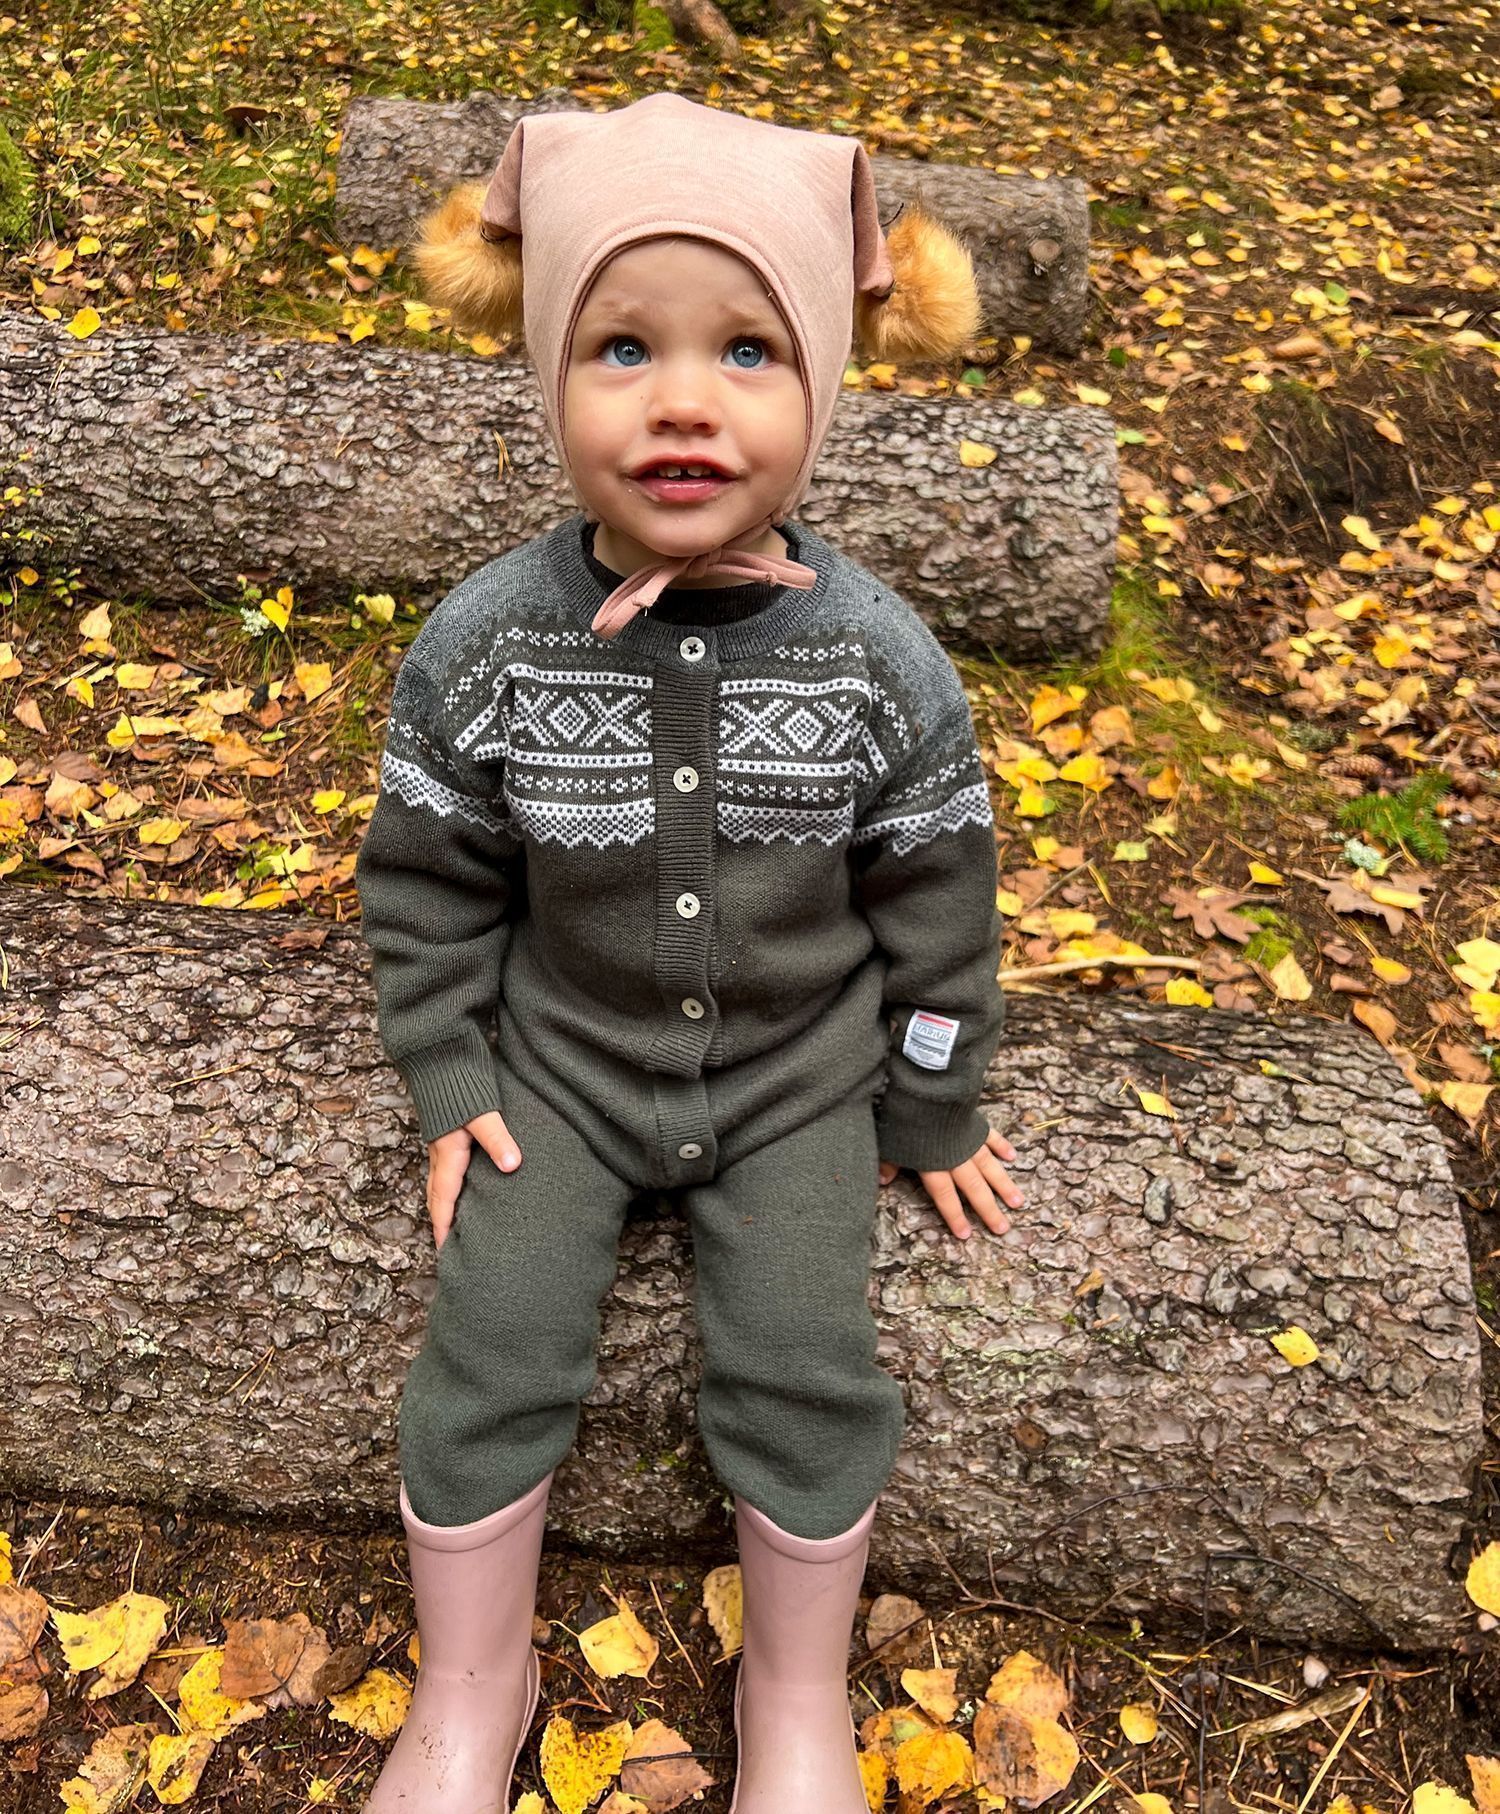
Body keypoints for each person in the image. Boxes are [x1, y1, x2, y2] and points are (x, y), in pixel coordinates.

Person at [353, 89, 1025, 1814]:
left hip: (799, 1079)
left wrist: (934, 1097)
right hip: (563, 1067)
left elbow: (942, 902)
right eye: (621, 347)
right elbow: (427, 877)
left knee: (807, 1360)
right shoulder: (489, 641)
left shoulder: (879, 660)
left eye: (746, 350)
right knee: (490, 1340)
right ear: (547, 376)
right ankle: (470, 1685)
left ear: (824, 383)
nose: (681, 400)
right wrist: (449, 1067)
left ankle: (794, 1697)